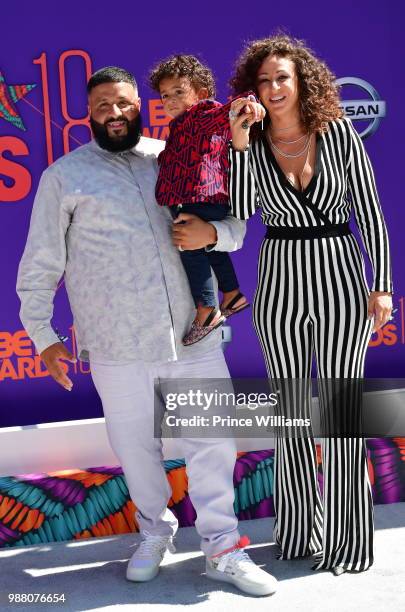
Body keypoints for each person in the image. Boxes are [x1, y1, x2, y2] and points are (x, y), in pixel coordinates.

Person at [16, 66, 277, 597]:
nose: (116, 113)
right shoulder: (64, 177)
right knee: (136, 447)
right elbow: (40, 263)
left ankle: (223, 547)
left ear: (142, 106)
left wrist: (217, 232)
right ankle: (155, 532)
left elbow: (238, 221)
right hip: (117, 344)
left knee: (212, 443)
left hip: (194, 333)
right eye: (103, 106)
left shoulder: (177, 153)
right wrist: (42, 336)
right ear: (89, 115)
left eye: (125, 103)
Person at [227, 35, 393, 575]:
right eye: (264, 81)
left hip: (342, 280)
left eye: (282, 78)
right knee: (292, 411)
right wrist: (240, 141)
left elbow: (370, 213)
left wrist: (383, 284)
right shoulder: (250, 141)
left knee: (341, 412)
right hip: (279, 284)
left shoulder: (339, 134)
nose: (274, 89)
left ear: (302, 82)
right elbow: (243, 207)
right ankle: (300, 534)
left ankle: (348, 542)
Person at [149, 55, 264, 345]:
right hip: (200, 196)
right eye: (165, 95)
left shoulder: (202, 113)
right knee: (210, 249)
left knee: (189, 245)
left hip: (201, 194)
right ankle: (233, 293)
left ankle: (207, 308)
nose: (171, 100)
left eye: (179, 91)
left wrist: (246, 106)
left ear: (200, 93)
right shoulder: (179, 126)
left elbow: (226, 113)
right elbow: (176, 155)